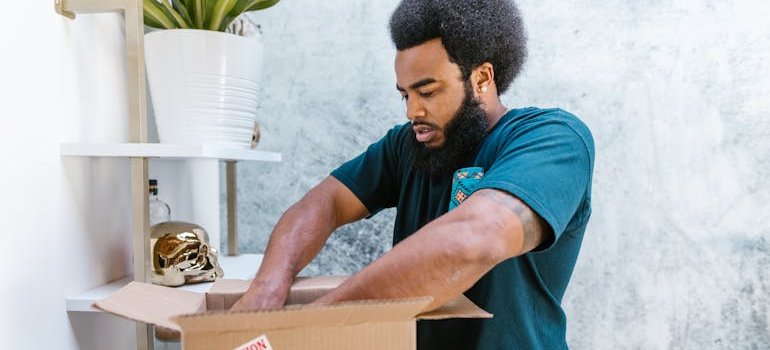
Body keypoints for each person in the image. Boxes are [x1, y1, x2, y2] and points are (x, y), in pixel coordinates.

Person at [232, 0, 594, 348]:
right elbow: (325, 202)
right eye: (405, 95)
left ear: (482, 78)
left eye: (427, 91)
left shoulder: (554, 139)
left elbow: (475, 238)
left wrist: (312, 324)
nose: (412, 111)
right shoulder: (407, 145)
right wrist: (267, 287)